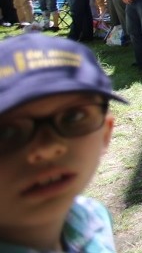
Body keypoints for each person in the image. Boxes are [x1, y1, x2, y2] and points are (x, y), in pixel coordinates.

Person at [0, 33, 125, 252]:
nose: (48, 148)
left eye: (73, 117)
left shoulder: (93, 218)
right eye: (6, 132)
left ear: (105, 133)